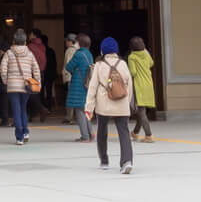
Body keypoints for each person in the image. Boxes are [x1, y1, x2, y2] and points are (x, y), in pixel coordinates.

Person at [84, 37, 136, 173]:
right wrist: (127, 102)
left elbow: (92, 87)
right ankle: (127, 161)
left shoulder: (99, 65)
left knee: (102, 131)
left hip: (104, 104)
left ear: (103, 51)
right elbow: (129, 85)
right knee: (124, 132)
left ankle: (104, 161)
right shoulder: (123, 64)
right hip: (122, 103)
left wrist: (89, 108)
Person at [0, 29, 42, 145]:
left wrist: (5, 81)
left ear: (13, 41)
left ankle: (19, 137)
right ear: (25, 42)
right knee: (23, 108)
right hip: (26, 85)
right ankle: (26, 132)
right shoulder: (29, 53)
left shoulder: (9, 53)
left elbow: (3, 68)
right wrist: (38, 82)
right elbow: (36, 69)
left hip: (13, 86)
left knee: (16, 110)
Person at [63, 34, 94, 141]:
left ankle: (85, 136)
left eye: (76, 42)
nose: (74, 44)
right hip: (86, 84)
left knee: (79, 110)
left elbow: (68, 67)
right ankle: (90, 133)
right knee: (85, 109)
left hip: (78, 84)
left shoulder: (78, 54)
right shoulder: (89, 54)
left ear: (79, 43)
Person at [127, 36, 157, 140]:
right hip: (148, 84)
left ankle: (148, 135)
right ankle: (135, 132)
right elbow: (151, 63)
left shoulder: (132, 57)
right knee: (142, 110)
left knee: (141, 111)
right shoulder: (146, 54)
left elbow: (133, 72)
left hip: (139, 84)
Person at [28, 31, 51, 115]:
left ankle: (38, 110)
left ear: (34, 35)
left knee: (31, 93)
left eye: (30, 34)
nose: (29, 35)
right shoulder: (42, 46)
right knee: (38, 92)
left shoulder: (30, 46)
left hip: (32, 72)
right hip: (41, 71)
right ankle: (39, 110)